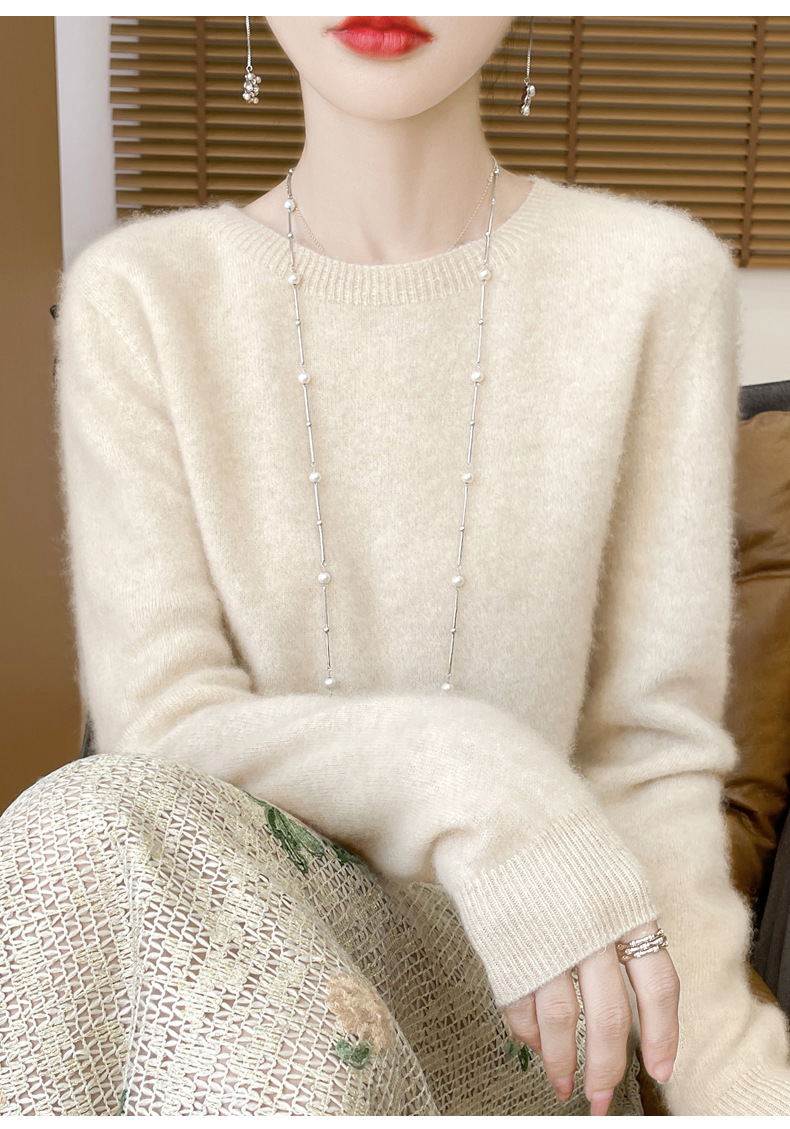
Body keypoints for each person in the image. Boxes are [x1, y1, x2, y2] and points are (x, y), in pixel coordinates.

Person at [1, 14, 789, 1117]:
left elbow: (651, 768)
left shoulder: (650, 279)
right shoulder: (139, 295)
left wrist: (741, 1092)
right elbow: (163, 727)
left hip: (533, 990)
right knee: (85, 826)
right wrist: (468, 770)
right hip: (229, 940)